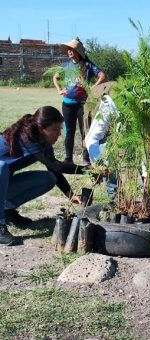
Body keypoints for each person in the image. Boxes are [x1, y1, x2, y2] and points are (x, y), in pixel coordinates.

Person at [0, 106, 86, 246]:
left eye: (60, 129)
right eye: (55, 130)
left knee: (49, 178)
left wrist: (70, 194)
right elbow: (57, 166)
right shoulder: (26, 137)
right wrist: (87, 170)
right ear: (41, 128)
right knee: (1, 167)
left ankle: (7, 210)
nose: (59, 134)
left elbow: (54, 170)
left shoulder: (43, 143)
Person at [53, 37, 106, 166]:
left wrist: (93, 87)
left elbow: (102, 76)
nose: (69, 51)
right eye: (68, 49)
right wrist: (59, 89)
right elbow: (55, 77)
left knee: (85, 132)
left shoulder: (87, 65)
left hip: (83, 105)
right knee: (69, 131)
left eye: (72, 49)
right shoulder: (66, 65)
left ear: (78, 52)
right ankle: (68, 159)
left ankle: (86, 159)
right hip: (68, 104)